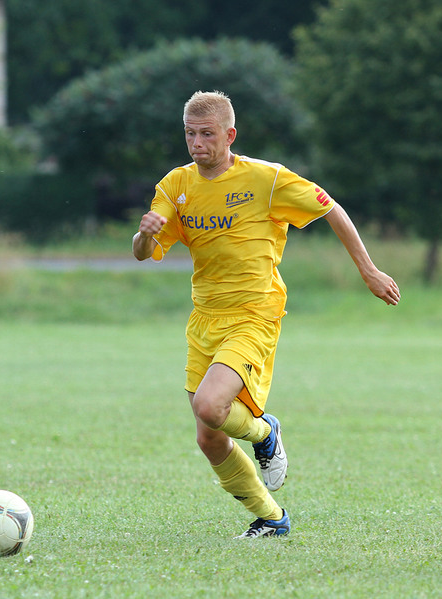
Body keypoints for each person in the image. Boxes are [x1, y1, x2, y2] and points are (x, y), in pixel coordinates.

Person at [133, 90, 400, 538]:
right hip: (204, 319)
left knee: (210, 405)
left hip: (254, 314)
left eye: (207, 134)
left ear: (229, 135)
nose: (197, 143)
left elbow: (331, 207)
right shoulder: (176, 186)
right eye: (190, 134)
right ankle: (272, 518)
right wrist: (144, 235)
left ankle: (264, 432)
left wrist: (369, 270)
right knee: (208, 436)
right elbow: (143, 253)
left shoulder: (267, 180)